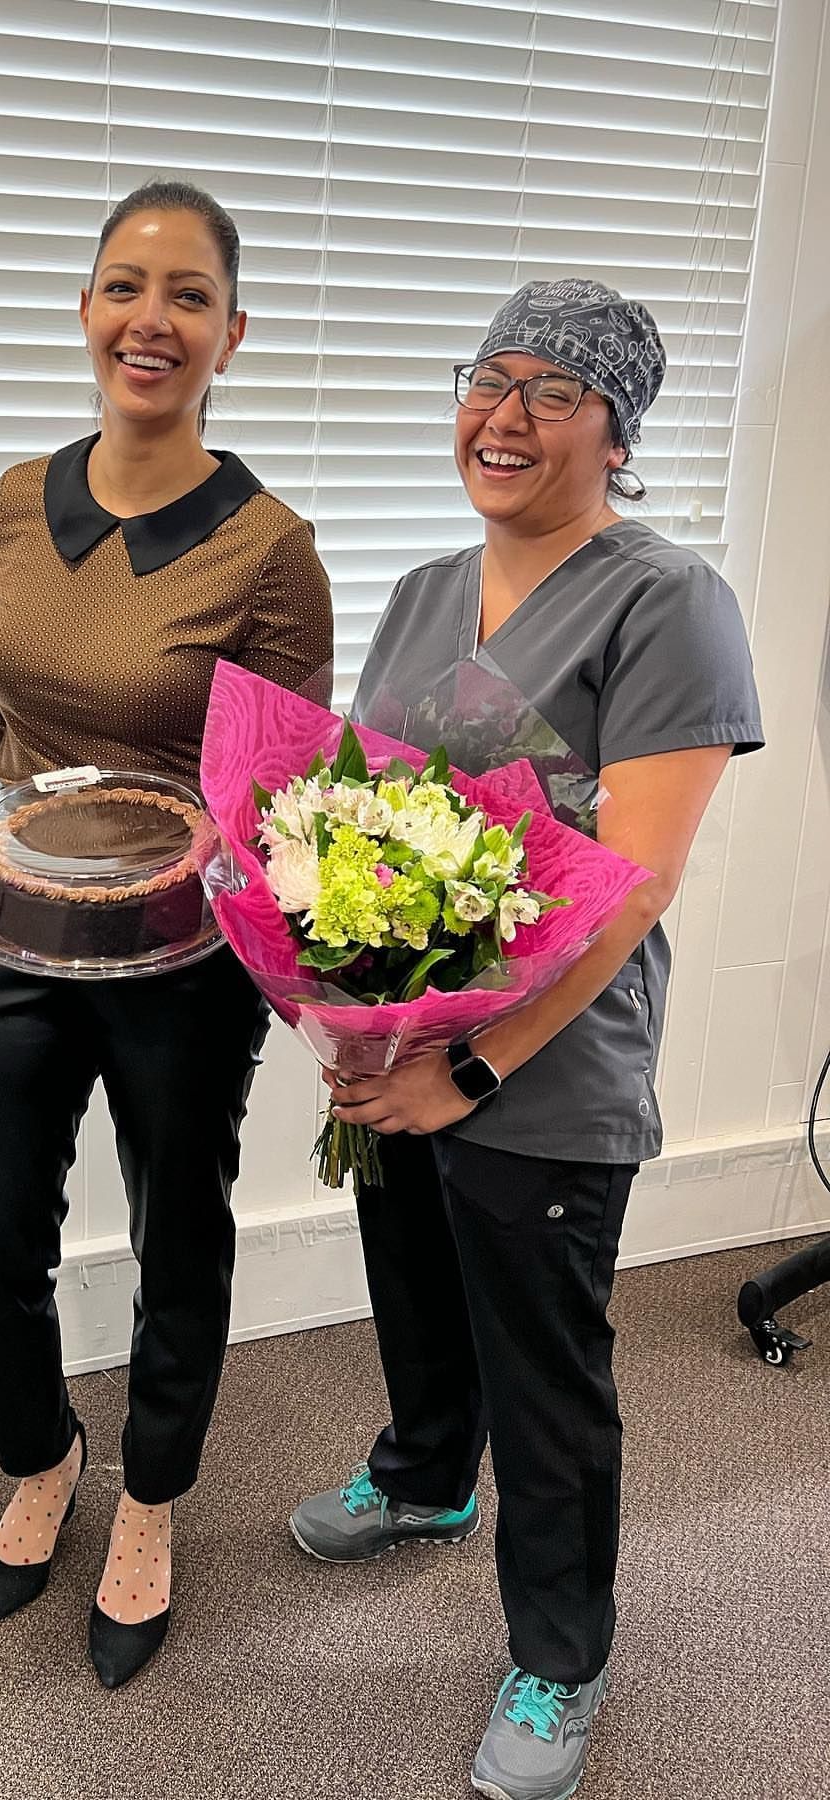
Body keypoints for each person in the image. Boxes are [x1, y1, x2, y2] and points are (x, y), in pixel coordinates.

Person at [287, 278, 762, 1800]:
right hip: (403, 1043)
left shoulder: (666, 599)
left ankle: (561, 1658)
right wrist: (345, 1007)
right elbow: (362, 819)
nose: (503, 417)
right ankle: (428, 1479)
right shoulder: (429, 588)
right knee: (419, 1288)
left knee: (547, 1370)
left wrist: (473, 1066)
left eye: (552, 392)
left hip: (544, 1069)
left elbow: (633, 883)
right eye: (484, 381)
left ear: (617, 429)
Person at [0, 180, 334, 1688]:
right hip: (18, 927)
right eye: (121, 286)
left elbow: (280, 796)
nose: (147, 320)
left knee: (180, 1226)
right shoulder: (12, 499)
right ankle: (41, 1460)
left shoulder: (271, 550)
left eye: (183, 296)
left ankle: (150, 1501)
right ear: (85, 309)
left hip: (184, 957)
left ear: (232, 331)